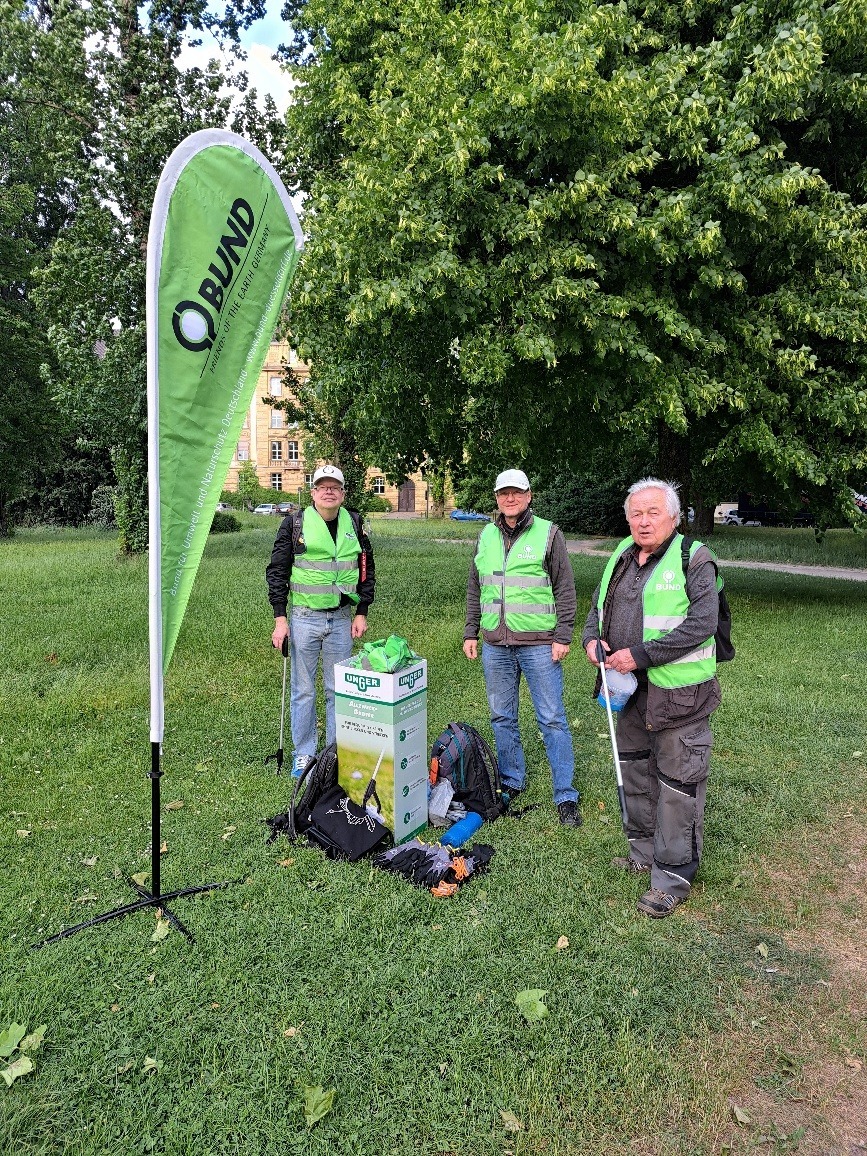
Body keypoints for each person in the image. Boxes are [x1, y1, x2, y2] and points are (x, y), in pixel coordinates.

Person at [582, 478, 721, 917]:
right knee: (636, 774)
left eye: (653, 513)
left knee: (678, 787)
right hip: (628, 695)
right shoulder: (621, 557)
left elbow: (702, 624)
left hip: (680, 698)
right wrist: (591, 640)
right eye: (636, 513)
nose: (643, 521)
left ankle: (672, 878)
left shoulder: (694, 560)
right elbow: (596, 610)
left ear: (675, 518)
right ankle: (642, 854)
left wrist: (639, 655)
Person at [463, 469, 582, 827]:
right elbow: (475, 586)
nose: (510, 499)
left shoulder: (548, 533)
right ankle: (513, 780)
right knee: (502, 716)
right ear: (497, 498)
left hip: (539, 645)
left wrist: (563, 636)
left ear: (529, 495)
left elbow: (565, 588)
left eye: (516, 493)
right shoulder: (485, 535)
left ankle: (565, 795)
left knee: (552, 718)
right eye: (503, 493)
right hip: (496, 645)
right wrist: (471, 631)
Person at [266, 465, 375, 775]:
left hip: (341, 619)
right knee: (303, 691)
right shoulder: (294, 524)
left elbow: (366, 568)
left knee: (338, 689)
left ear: (342, 493)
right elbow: (277, 571)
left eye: (335, 487)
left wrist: (362, 610)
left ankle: (334, 753)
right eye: (322, 486)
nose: (329, 491)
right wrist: (280, 618)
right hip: (303, 618)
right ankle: (305, 754)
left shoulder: (354, 523)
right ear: (312, 492)